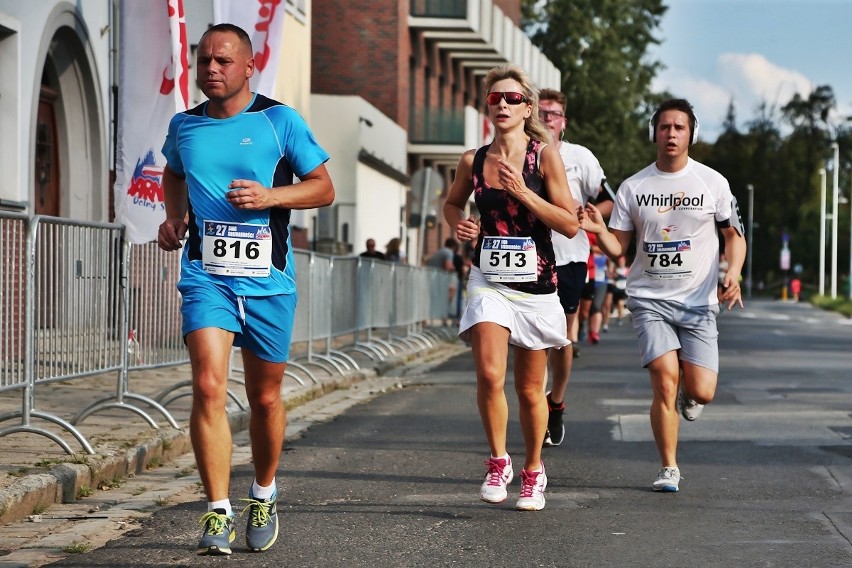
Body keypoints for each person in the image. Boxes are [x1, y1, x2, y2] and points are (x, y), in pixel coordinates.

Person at [157, 23, 334, 555]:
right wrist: (174, 218)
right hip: (206, 274)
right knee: (209, 386)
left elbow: (324, 188)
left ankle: (263, 491)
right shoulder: (184, 124)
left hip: (268, 281)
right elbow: (172, 173)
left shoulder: (280, 120)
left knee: (264, 397)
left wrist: (271, 196)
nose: (212, 68)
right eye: (205, 59)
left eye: (224, 60)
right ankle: (216, 511)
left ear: (249, 65)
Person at [579, 98, 746, 493]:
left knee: (701, 389)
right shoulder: (634, 187)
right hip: (649, 300)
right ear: (653, 132)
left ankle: (693, 392)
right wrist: (598, 229)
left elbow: (733, 237)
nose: (671, 133)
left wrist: (733, 273)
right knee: (664, 382)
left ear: (692, 134)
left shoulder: (712, 183)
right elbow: (618, 248)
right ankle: (668, 466)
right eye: (665, 127)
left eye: (680, 127)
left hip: (698, 303)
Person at [443, 65, 579, 511]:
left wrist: (523, 192)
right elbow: (451, 203)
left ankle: (534, 470)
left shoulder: (545, 157)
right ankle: (498, 460)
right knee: (488, 372)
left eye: (512, 99)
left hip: (536, 284)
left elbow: (570, 224)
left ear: (528, 108)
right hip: (489, 280)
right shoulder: (474, 160)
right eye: (495, 99)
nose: (503, 104)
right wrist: (459, 224)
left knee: (527, 389)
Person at [537, 88, 613, 447]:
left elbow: (607, 201)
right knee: (532, 338)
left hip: (568, 256)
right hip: (527, 257)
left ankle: (556, 401)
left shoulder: (580, 157)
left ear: (563, 122)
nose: (546, 118)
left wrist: (588, 219)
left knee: (562, 337)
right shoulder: (517, 151)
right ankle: (534, 403)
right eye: (541, 112)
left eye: (552, 114)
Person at [427, 238, 460, 324]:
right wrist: (455, 269)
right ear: (454, 246)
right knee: (450, 291)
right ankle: (444, 315)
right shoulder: (449, 252)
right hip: (438, 279)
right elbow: (448, 266)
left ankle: (440, 316)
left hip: (432, 277)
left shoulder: (440, 251)